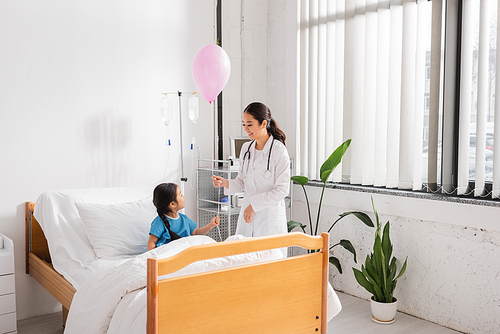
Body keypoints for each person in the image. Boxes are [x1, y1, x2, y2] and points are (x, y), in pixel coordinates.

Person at [212, 102, 290, 256]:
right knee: (244, 257)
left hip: (269, 215)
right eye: (243, 124)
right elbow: (242, 181)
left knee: (271, 261)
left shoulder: (278, 149)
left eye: (250, 124)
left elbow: (282, 189)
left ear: (264, 124)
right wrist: (225, 183)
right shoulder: (246, 148)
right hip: (248, 214)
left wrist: (254, 205)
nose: (246, 129)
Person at [147, 182, 220, 250]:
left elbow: (195, 234)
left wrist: (211, 225)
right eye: (181, 195)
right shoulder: (159, 222)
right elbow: (151, 243)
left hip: (184, 253)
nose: (184, 196)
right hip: (168, 254)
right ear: (172, 204)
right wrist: (157, 258)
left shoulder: (184, 219)